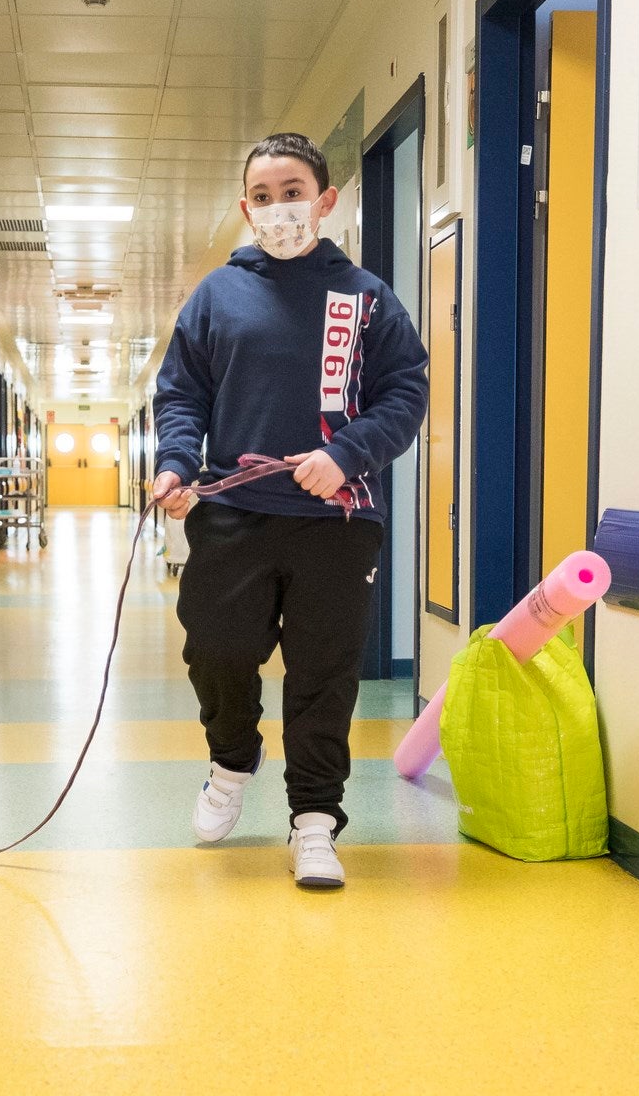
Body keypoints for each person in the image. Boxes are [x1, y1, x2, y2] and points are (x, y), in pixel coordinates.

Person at [153, 132, 429, 889]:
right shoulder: (216, 295)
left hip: (336, 521)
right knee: (216, 648)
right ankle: (232, 759)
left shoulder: (366, 298)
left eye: (295, 192)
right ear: (247, 209)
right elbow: (182, 393)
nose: (281, 210)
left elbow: (407, 392)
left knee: (323, 674)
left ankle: (314, 822)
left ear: (327, 200)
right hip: (233, 513)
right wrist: (176, 463)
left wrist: (347, 453)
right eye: (265, 198)